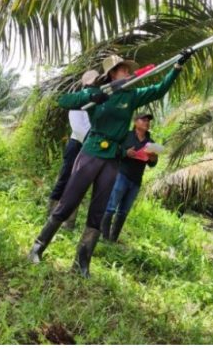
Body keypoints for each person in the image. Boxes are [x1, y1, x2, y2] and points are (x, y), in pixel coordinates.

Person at [28, 53, 189, 278]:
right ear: (112, 73)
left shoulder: (132, 96)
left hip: (113, 157)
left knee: (98, 210)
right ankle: (37, 247)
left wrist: (178, 66)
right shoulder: (99, 94)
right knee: (69, 201)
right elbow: (64, 101)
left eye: (127, 69)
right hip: (91, 151)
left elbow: (159, 89)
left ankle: (81, 263)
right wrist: (93, 93)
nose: (128, 72)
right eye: (123, 69)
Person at [46, 70, 101, 231]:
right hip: (77, 144)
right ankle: (51, 214)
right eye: (92, 83)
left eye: (96, 82)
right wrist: (92, 142)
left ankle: (69, 221)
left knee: (79, 183)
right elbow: (78, 127)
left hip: (90, 146)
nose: (94, 85)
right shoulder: (78, 101)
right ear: (85, 84)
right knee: (64, 178)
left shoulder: (101, 100)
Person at [101, 112, 159, 243]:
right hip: (122, 175)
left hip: (136, 181)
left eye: (148, 121)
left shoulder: (150, 143)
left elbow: (152, 164)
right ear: (135, 122)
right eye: (143, 120)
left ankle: (112, 239)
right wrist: (126, 153)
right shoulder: (126, 136)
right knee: (111, 206)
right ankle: (104, 237)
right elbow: (115, 151)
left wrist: (153, 158)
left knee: (123, 212)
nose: (146, 122)